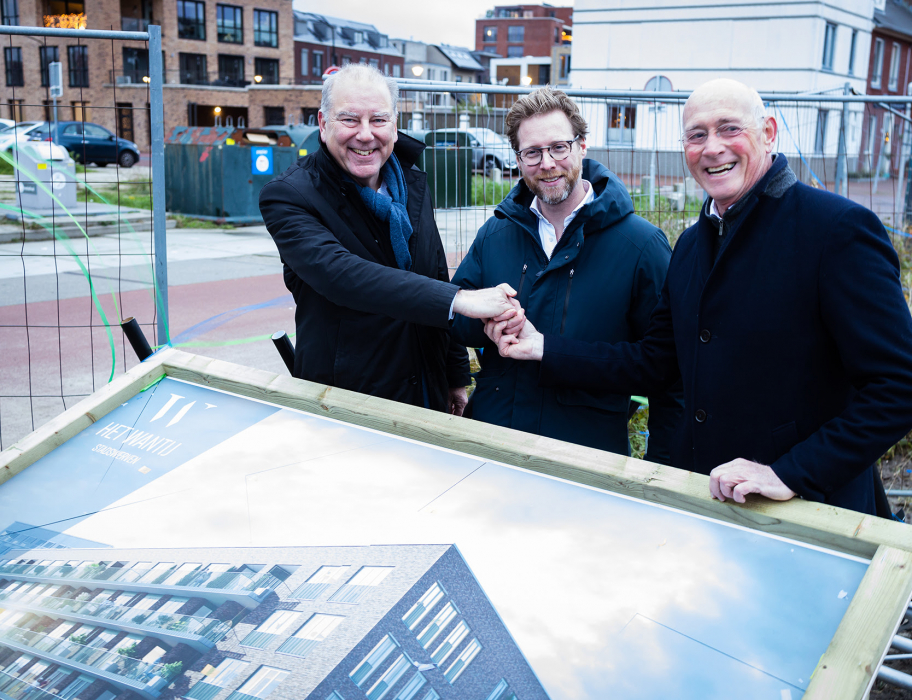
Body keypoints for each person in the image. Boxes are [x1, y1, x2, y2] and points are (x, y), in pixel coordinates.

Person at [491, 78, 912, 516]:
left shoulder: (836, 230)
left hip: (811, 511)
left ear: (767, 132)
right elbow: (655, 363)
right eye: (696, 135)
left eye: (730, 128)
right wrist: (545, 348)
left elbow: (898, 385)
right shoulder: (692, 245)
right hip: (710, 501)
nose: (712, 148)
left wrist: (791, 472)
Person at [259, 64, 520, 415]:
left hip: (424, 388)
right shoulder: (289, 196)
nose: (365, 135)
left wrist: (455, 373)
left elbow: (435, 274)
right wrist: (460, 301)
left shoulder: (412, 184)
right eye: (349, 120)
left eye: (379, 120)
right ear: (323, 124)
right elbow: (343, 276)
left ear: (395, 126)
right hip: (347, 400)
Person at [450, 87, 682, 462]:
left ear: (582, 145)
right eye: (532, 152)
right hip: (492, 441)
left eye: (559, 147)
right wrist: (488, 321)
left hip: (582, 454)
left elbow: (661, 366)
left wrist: (549, 350)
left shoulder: (641, 246)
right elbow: (455, 317)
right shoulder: (496, 233)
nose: (547, 163)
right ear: (518, 158)